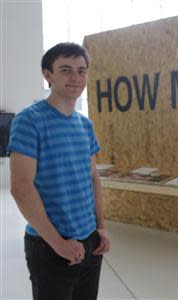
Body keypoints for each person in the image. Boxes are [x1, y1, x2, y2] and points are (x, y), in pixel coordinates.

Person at [7, 42, 110, 300]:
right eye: (66, 70)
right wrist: (58, 244)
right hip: (50, 245)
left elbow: (92, 178)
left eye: (81, 70)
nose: (76, 77)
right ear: (48, 75)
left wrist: (101, 228)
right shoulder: (29, 120)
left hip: (90, 241)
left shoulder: (85, 125)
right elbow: (21, 188)